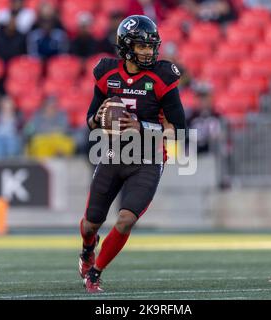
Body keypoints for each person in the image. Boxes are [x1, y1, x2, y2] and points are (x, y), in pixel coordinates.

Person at [79, 15, 186, 293]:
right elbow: (91, 117)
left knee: (126, 219)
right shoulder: (107, 73)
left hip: (149, 158)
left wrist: (142, 126)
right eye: (141, 46)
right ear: (126, 47)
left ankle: (95, 273)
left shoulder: (163, 77)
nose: (149, 52)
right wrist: (100, 119)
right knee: (91, 224)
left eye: (151, 46)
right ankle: (87, 251)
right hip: (115, 153)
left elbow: (179, 129)